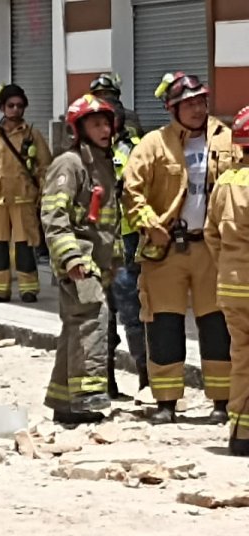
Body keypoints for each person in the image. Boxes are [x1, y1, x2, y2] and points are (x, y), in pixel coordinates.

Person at [124, 72, 238, 424]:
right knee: (164, 322)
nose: (197, 109)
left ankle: (221, 401)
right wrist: (149, 223)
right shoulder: (153, 144)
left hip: (212, 249)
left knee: (216, 323)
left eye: (201, 101)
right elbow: (131, 189)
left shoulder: (227, 139)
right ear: (171, 109)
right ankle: (166, 402)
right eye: (188, 104)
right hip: (167, 249)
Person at [40, 94, 120, 425]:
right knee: (92, 320)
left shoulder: (103, 163)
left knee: (76, 326)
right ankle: (87, 399)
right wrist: (71, 257)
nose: (104, 130)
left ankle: (63, 402)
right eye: (96, 124)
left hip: (97, 262)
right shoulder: (69, 164)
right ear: (79, 129)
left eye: (106, 123)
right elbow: (53, 214)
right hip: (80, 263)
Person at [0, 84, 52, 303]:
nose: (15, 109)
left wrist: (44, 194)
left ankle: (28, 289)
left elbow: (46, 167)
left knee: (25, 246)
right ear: (2, 108)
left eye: (19, 105)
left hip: (24, 198)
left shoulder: (33, 135)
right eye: (11, 105)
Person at [206, 106, 249, 453]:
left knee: (242, 357)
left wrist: (228, 266)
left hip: (232, 286)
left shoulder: (225, 181)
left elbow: (211, 234)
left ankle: (241, 433)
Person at [108, 84, 148, 397]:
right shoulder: (80, 154)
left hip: (128, 238)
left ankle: (145, 377)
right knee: (101, 313)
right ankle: (105, 380)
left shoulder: (136, 149)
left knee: (132, 309)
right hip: (95, 241)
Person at [90, 73, 143, 141]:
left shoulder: (128, 115)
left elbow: (134, 131)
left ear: (115, 95)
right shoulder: (89, 117)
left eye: (106, 93)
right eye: (98, 95)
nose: (102, 98)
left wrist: (121, 132)